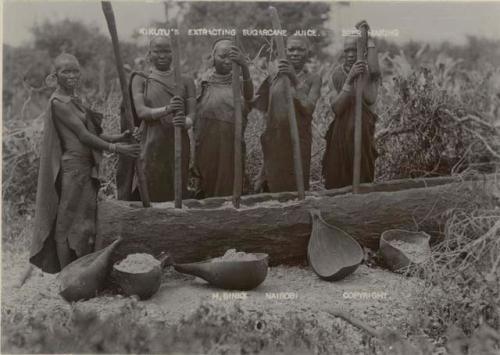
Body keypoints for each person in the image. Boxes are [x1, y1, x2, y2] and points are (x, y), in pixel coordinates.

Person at [29, 53, 140, 273]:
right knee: (64, 225)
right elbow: (84, 137)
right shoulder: (59, 103)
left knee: (85, 222)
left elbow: (94, 133)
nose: (71, 75)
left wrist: (120, 137)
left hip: (84, 168)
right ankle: (67, 276)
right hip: (74, 170)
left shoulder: (75, 101)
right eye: (65, 71)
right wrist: (118, 149)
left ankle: (83, 270)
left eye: (75, 71)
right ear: (55, 76)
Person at [130, 36, 196, 202]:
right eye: (157, 51)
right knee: (150, 188)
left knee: (176, 190)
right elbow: (141, 112)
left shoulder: (186, 80)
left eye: (166, 51)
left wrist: (185, 122)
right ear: (149, 54)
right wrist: (167, 109)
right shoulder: (141, 79)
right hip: (151, 142)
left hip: (178, 143)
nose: (162, 55)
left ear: (173, 53)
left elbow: (193, 114)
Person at [253, 36, 322, 193]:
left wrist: (293, 78)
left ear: (308, 53)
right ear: (284, 52)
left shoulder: (313, 79)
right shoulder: (274, 77)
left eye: (300, 49)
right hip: (275, 142)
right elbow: (260, 106)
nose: (295, 53)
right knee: (269, 188)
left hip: (298, 142)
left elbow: (308, 107)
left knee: (295, 187)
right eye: (291, 49)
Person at [322, 20, 381, 189]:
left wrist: (367, 38)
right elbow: (337, 108)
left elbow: (370, 98)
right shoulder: (336, 75)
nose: (349, 54)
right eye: (346, 50)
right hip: (339, 139)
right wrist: (349, 79)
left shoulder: (369, 74)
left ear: (361, 52)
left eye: (354, 50)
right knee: (337, 182)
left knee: (362, 181)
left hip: (361, 139)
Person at [194, 39, 253, 198]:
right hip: (207, 144)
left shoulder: (240, 83)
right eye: (222, 56)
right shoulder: (203, 83)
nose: (227, 61)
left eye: (232, 57)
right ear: (213, 57)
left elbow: (249, 97)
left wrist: (244, 67)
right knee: (207, 182)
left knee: (231, 182)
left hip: (232, 144)